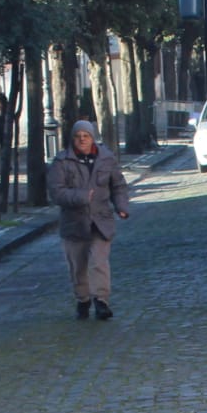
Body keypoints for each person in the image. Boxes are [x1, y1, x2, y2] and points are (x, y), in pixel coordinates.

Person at [46, 120, 130, 320]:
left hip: (101, 221)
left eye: (86, 136)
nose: (82, 140)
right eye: (78, 136)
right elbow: (56, 193)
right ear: (72, 139)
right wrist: (81, 196)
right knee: (78, 266)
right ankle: (83, 299)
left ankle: (101, 301)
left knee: (98, 262)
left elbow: (118, 186)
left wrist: (121, 206)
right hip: (74, 223)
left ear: (93, 138)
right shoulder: (61, 162)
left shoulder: (106, 158)